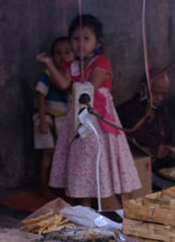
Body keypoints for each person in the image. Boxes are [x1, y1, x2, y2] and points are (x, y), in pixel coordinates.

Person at [45, 14, 141, 210]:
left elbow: (90, 87)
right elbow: (64, 84)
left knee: (107, 166)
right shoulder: (70, 66)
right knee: (82, 169)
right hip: (77, 122)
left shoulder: (102, 61)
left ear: (98, 41)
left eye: (86, 38)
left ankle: (125, 213)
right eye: (75, 38)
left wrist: (77, 86)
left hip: (97, 122)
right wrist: (48, 63)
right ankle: (86, 216)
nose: (80, 43)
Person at [33, 37, 74, 195]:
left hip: (64, 119)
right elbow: (40, 95)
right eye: (57, 53)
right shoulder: (48, 74)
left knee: (63, 152)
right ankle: (43, 185)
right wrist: (42, 120)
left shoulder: (74, 73)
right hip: (46, 116)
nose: (62, 56)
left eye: (67, 52)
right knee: (48, 151)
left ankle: (60, 186)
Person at [116, 69, 175, 166]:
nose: (159, 99)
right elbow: (118, 149)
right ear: (143, 89)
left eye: (163, 95)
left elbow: (171, 142)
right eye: (155, 93)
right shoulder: (125, 112)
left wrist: (172, 151)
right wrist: (151, 151)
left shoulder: (162, 115)